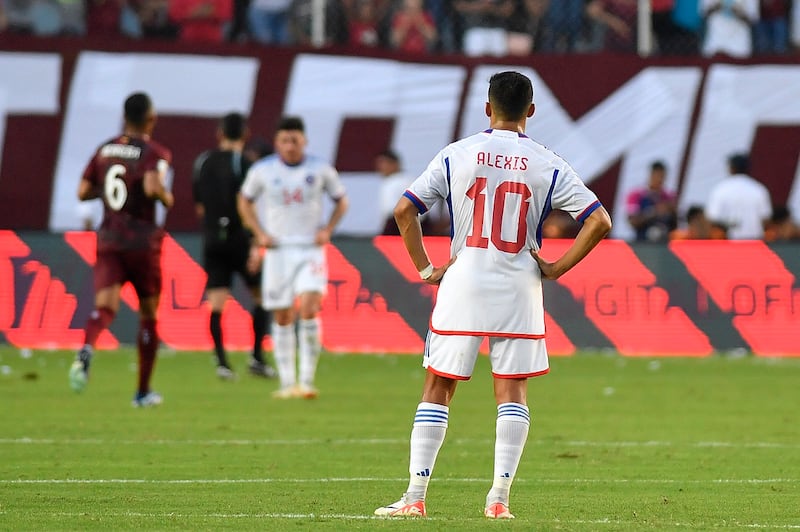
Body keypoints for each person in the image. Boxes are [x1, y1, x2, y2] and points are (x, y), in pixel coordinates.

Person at [374, 71, 612, 519]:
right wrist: (557, 267)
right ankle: (499, 501)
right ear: (532, 111)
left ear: (486, 108)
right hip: (520, 285)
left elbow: (405, 209)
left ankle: (414, 498)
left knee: (438, 385)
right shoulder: (548, 161)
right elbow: (599, 221)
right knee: (512, 391)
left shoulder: (457, 154)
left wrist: (426, 268)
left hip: (464, 280)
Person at [68, 92, 174, 408]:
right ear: (151, 119)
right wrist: (168, 199)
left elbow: (83, 191)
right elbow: (155, 189)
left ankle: (87, 348)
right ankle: (142, 392)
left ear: (124, 117)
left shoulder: (104, 150)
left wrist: (114, 190)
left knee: (105, 308)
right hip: (142, 242)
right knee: (148, 314)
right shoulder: (155, 152)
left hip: (110, 239)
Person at [237, 116, 349, 399]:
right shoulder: (263, 170)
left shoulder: (320, 168)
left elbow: (341, 200)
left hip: (310, 247)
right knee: (283, 315)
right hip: (277, 250)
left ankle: (307, 380)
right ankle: (288, 384)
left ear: (304, 141)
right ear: (277, 143)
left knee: (310, 307)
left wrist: (328, 228)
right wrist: (259, 232)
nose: (290, 146)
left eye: (295, 141)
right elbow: (244, 201)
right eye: (285, 141)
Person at [192, 112, 277, 380]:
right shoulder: (246, 164)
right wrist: (254, 244)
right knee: (262, 296)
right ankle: (256, 358)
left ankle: (222, 363)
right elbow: (250, 205)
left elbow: (199, 206)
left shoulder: (202, 162)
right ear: (245, 135)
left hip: (211, 238)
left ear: (220, 133)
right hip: (239, 239)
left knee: (217, 303)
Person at [706, 153, 772, 239]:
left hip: (729, 243)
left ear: (731, 168)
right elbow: (766, 219)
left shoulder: (721, 189)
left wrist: (733, 226)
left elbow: (713, 218)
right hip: (755, 243)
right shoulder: (759, 189)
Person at [625, 160, 678, 242]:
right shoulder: (636, 195)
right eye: (658, 176)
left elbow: (675, 226)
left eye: (662, 177)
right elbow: (633, 221)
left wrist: (673, 212)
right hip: (642, 244)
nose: (660, 180)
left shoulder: (669, 197)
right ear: (651, 175)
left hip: (663, 245)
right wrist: (654, 212)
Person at [376, 149, 413, 235]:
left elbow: (392, 213)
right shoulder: (408, 179)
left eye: (383, 163)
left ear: (394, 164)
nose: (380, 167)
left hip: (398, 228)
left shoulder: (395, 182)